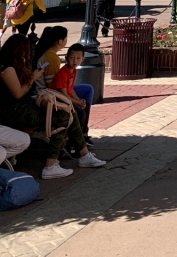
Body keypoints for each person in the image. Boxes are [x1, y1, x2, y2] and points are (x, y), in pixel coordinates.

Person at [0, 35, 104, 178]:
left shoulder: (15, 66)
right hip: (15, 111)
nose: (27, 54)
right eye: (25, 51)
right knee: (63, 116)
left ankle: (83, 154)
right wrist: (32, 78)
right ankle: (51, 164)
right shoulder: (7, 68)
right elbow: (18, 94)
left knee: (67, 110)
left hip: (24, 106)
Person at [50, 43, 94, 145]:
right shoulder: (62, 73)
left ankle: (84, 134)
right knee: (80, 113)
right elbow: (64, 95)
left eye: (78, 58)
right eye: (72, 58)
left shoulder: (73, 71)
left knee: (85, 105)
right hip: (60, 101)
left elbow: (71, 89)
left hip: (68, 99)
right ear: (66, 58)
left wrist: (78, 100)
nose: (75, 61)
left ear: (83, 59)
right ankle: (76, 141)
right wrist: (77, 103)